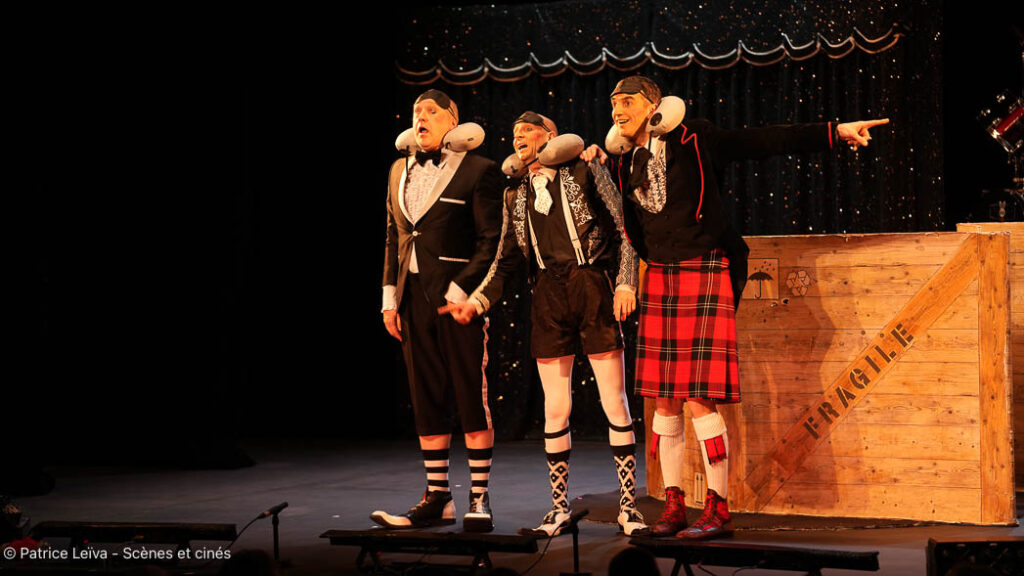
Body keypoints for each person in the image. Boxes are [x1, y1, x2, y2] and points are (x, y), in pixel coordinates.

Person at [588, 75, 889, 540]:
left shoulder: (696, 138)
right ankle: (674, 505)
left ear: (652, 106)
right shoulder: (626, 159)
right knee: (663, 399)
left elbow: (762, 141)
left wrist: (834, 132)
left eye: (627, 102)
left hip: (703, 267)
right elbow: (627, 225)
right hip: (661, 274)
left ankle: (717, 507)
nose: (617, 111)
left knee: (698, 397)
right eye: (613, 104)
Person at [446, 111, 647, 536]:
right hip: (548, 296)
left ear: (550, 136)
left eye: (528, 131)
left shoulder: (585, 170)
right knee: (555, 408)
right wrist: (476, 302)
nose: (518, 137)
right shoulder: (514, 193)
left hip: (591, 286)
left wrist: (626, 283)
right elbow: (504, 261)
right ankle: (559, 509)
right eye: (514, 132)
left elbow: (624, 228)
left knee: (614, 401)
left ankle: (629, 507)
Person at [372, 89, 503, 533]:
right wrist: (389, 300)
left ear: (452, 121)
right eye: (416, 111)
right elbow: (393, 236)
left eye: (431, 111)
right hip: (411, 300)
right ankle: (438, 497)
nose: (421, 117)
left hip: (456, 301)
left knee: (469, 394)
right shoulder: (398, 170)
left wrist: (462, 289)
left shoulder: (479, 170)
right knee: (425, 394)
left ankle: (479, 497)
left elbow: (490, 240)